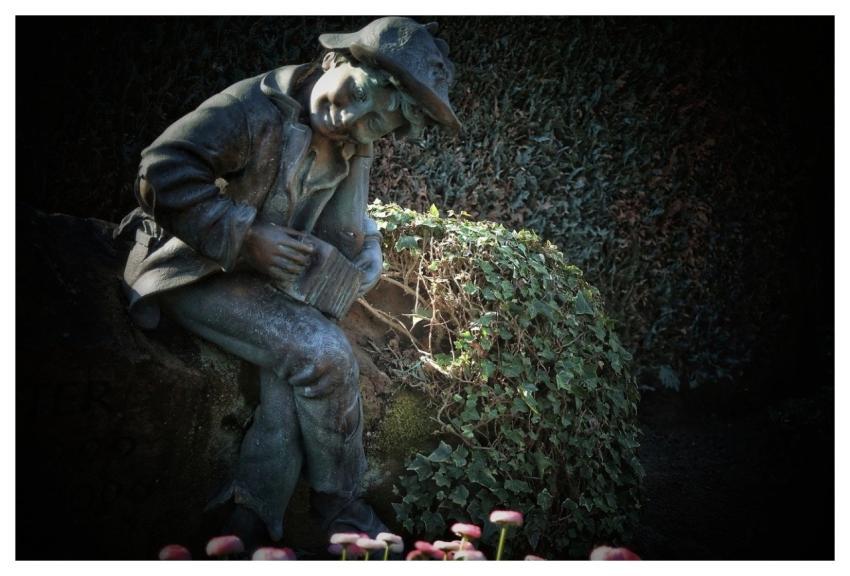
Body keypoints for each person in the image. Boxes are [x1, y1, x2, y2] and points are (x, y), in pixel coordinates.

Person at [115, 17, 460, 549]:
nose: (353, 118)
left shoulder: (350, 141)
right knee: (321, 353)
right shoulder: (252, 109)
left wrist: (367, 253)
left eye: (376, 125)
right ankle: (338, 505)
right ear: (336, 61)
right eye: (358, 93)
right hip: (199, 268)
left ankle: (251, 516)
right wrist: (247, 234)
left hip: (276, 282)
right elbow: (158, 171)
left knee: (292, 373)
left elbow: (353, 221)